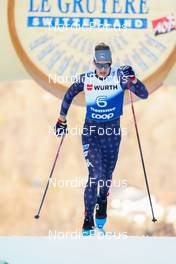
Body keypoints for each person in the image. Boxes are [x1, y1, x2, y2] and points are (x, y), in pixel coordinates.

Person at [55, 43, 148, 235]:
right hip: (92, 133)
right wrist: (61, 119)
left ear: (111, 64)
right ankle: (88, 219)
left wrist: (133, 78)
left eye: (106, 65)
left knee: (106, 178)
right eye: (99, 65)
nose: (103, 69)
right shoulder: (86, 78)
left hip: (112, 135)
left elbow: (144, 94)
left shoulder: (120, 78)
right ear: (94, 63)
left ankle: (102, 200)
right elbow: (69, 94)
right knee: (95, 175)